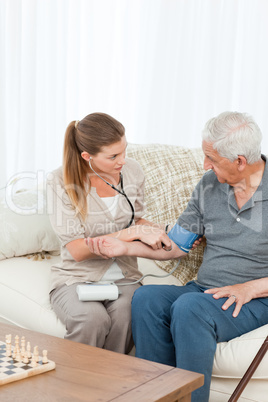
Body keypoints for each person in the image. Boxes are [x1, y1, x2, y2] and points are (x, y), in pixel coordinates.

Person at [86, 111, 268, 401]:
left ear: (240, 161)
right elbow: (177, 245)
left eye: (212, 158)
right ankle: (156, 396)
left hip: (255, 298)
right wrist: (126, 246)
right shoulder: (210, 185)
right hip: (206, 291)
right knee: (146, 299)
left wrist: (251, 288)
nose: (205, 165)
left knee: (189, 307)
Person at [47, 112, 171, 354]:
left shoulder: (132, 171)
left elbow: (136, 218)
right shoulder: (60, 181)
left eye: (124, 151)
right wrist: (125, 235)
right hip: (77, 276)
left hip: (126, 276)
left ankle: (112, 386)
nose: (122, 160)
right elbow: (77, 249)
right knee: (91, 320)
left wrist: (167, 232)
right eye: (113, 156)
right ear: (87, 156)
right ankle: (76, 387)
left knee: (128, 315)